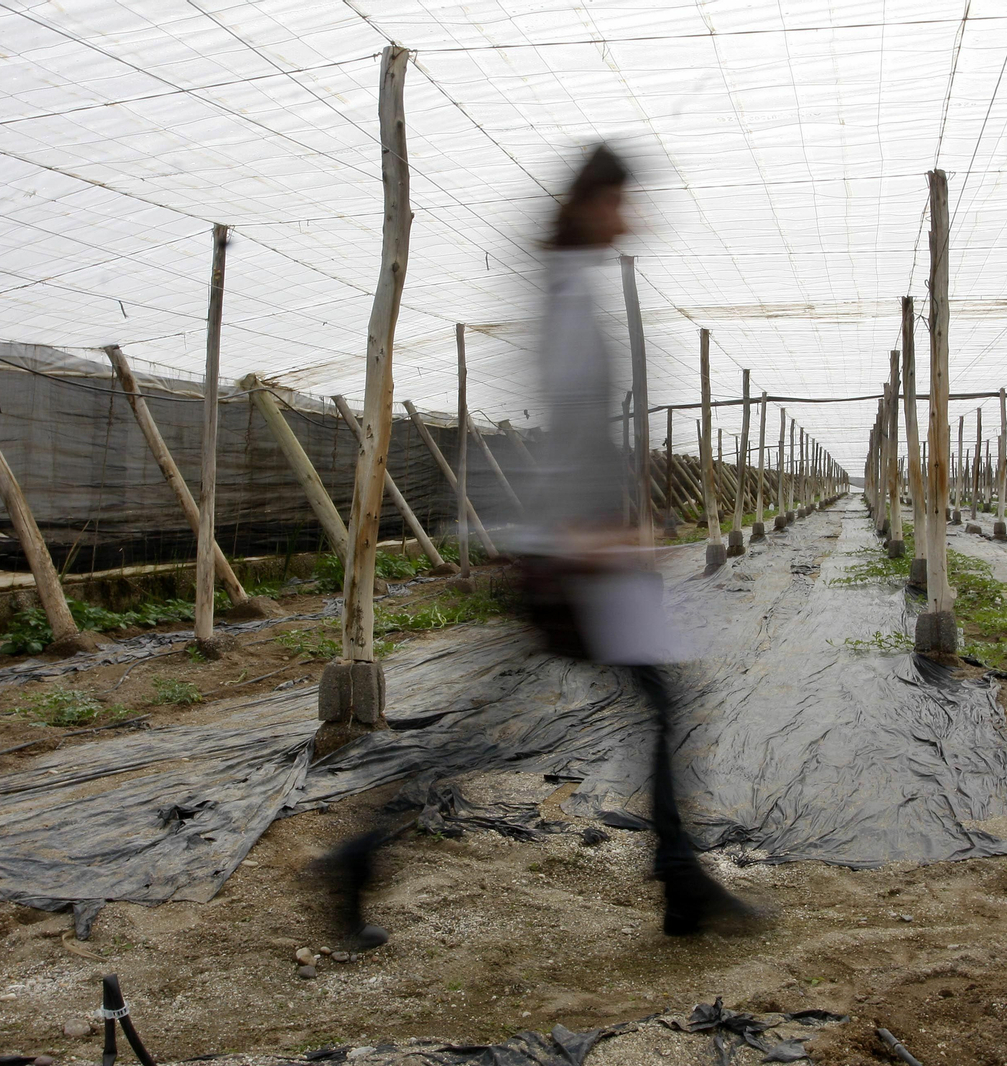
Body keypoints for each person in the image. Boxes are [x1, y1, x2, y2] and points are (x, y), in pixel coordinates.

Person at [322, 145, 754, 950]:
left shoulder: (568, 284)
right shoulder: (563, 295)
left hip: (571, 548)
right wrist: (590, 528)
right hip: (568, 553)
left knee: (551, 712)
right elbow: (567, 418)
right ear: (594, 203)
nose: (632, 218)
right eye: (622, 201)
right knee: (568, 715)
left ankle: (680, 882)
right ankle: (677, 883)